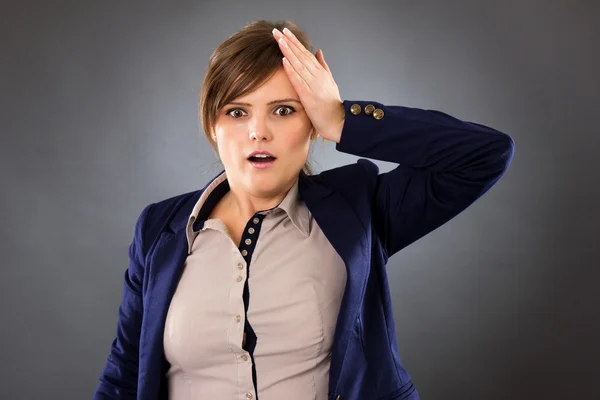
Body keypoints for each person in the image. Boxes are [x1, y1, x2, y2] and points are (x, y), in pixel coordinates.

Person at [93, 19, 515, 400]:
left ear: (311, 124)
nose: (259, 131)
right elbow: (124, 375)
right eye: (237, 112)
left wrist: (344, 120)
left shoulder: (358, 210)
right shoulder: (158, 230)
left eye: (283, 110)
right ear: (211, 125)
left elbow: (485, 154)